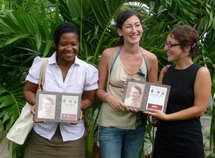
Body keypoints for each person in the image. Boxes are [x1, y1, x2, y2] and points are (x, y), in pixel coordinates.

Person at [23, 22, 98, 158]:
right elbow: (28, 90)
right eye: (64, 44)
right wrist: (38, 104)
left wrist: (77, 108)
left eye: (73, 44)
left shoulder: (88, 70)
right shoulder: (41, 64)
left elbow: (89, 99)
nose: (69, 48)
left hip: (72, 138)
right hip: (41, 135)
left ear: (78, 44)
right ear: (56, 45)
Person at [96, 10, 158, 158]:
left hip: (136, 126)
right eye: (128, 26)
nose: (134, 30)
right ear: (120, 31)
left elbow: (153, 96)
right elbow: (98, 90)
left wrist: (141, 92)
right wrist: (109, 98)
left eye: (137, 25)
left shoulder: (150, 59)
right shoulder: (108, 55)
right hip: (110, 124)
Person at [144, 25, 211, 158]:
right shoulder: (166, 71)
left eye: (170, 45)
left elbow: (200, 108)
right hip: (163, 138)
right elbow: (156, 103)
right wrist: (134, 91)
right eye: (166, 44)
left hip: (188, 140)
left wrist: (167, 117)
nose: (165, 49)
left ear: (186, 47)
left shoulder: (200, 72)